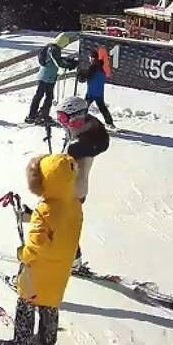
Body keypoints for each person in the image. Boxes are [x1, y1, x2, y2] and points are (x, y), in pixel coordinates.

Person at [1, 154, 82, 345]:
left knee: (26, 304)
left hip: (37, 271)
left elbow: (36, 246)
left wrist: (23, 254)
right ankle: (48, 340)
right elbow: (61, 228)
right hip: (61, 270)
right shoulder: (75, 205)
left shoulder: (44, 211)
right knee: (51, 303)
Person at [55, 96, 110, 270]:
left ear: (76, 116)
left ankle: (68, 259)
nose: (60, 122)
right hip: (71, 187)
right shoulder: (81, 124)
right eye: (59, 117)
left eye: (63, 118)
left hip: (74, 189)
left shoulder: (86, 139)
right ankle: (72, 259)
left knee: (61, 224)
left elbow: (101, 143)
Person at [26, 35, 77, 124]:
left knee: (40, 95)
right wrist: (70, 64)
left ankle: (33, 115)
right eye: (65, 44)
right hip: (48, 76)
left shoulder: (50, 47)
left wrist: (67, 60)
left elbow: (54, 60)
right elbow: (58, 63)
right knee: (48, 97)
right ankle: (42, 115)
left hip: (44, 74)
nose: (65, 46)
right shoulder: (55, 49)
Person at [78, 49, 115, 129]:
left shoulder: (93, 67)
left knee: (84, 108)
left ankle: (80, 123)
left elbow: (87, 76)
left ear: (93, 58)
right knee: (102, 108)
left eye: (90, 58)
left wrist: (81, 74)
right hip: (99, 92)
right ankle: (110, 123)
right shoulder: (102, 67)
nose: (90, 60)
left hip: (91, 93)